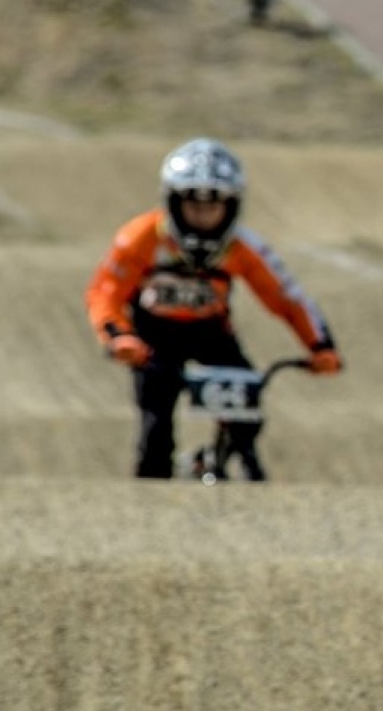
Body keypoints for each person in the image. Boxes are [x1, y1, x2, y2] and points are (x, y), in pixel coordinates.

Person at [85, 138, 343, 480]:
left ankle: (224, 464)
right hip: (153, 341)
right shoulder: (140, 237)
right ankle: (147, 503)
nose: (203, 216)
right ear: (174, 203)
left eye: (213, 207)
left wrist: (319, 346)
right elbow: (105, 292)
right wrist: (119, 336)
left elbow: (287, 298)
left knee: (247, 418)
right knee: (156, 430)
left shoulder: (243, 247)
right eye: (194, 206)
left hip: (211, 335)